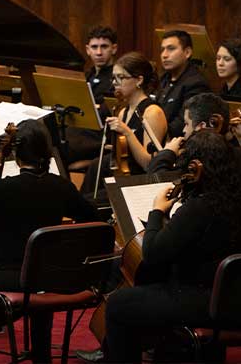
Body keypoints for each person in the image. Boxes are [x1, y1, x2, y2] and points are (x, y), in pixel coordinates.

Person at [0, 120, 98, 364]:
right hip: (53, 277)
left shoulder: (3, 189)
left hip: (15, 278)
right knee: (40, 272)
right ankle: (41, 356)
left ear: (15, 154)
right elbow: (93, 218)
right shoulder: (61, 186)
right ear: (46, 152)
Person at [101, 130, 241, 363]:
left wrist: (157, 211)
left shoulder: (199, 208)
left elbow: (152, 253)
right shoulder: (232, 199)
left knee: (118, 305)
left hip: (208, 303)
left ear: (195, 167)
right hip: (234, 299)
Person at [81, 52, 167, 195]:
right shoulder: (123, 112)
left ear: (139, 80)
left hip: (139, 184)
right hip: (121, 178)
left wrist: (126, 132)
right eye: (114, 78)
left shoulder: (152, 113)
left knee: (91, 202)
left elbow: (149, 164)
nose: (115, 83)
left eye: (121, 78)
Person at [65, 26, 118, 163]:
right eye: (94, 47)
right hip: (81, 130)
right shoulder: (87, 75)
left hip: (99, 135)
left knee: (60, 146)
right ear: (88, 50)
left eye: (104, 47)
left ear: (114, 48)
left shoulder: (118, 76)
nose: (99, 52)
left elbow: (110, 110)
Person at [154, 30, 211, 138]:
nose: (164, 55)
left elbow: (182, 124)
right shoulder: (164, 78)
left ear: (187, 52)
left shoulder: (196, 83)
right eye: (162, 50)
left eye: (171, 49)